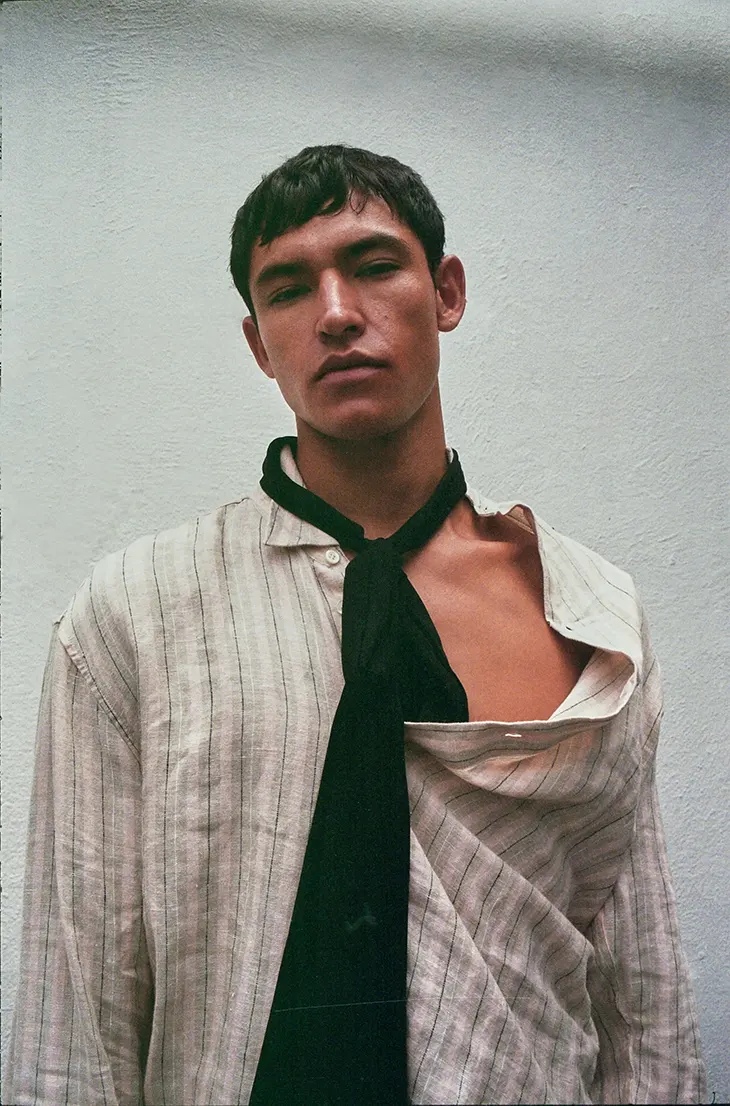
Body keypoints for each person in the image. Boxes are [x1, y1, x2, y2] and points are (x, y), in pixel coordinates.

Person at [4, 144, 706, 1105]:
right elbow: (75, 1024)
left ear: (446, 292)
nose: (336, 313)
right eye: (289, 289)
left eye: (374, 265)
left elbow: (645, 1001)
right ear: (260, 345)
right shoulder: (135, 615)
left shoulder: (590, 617)